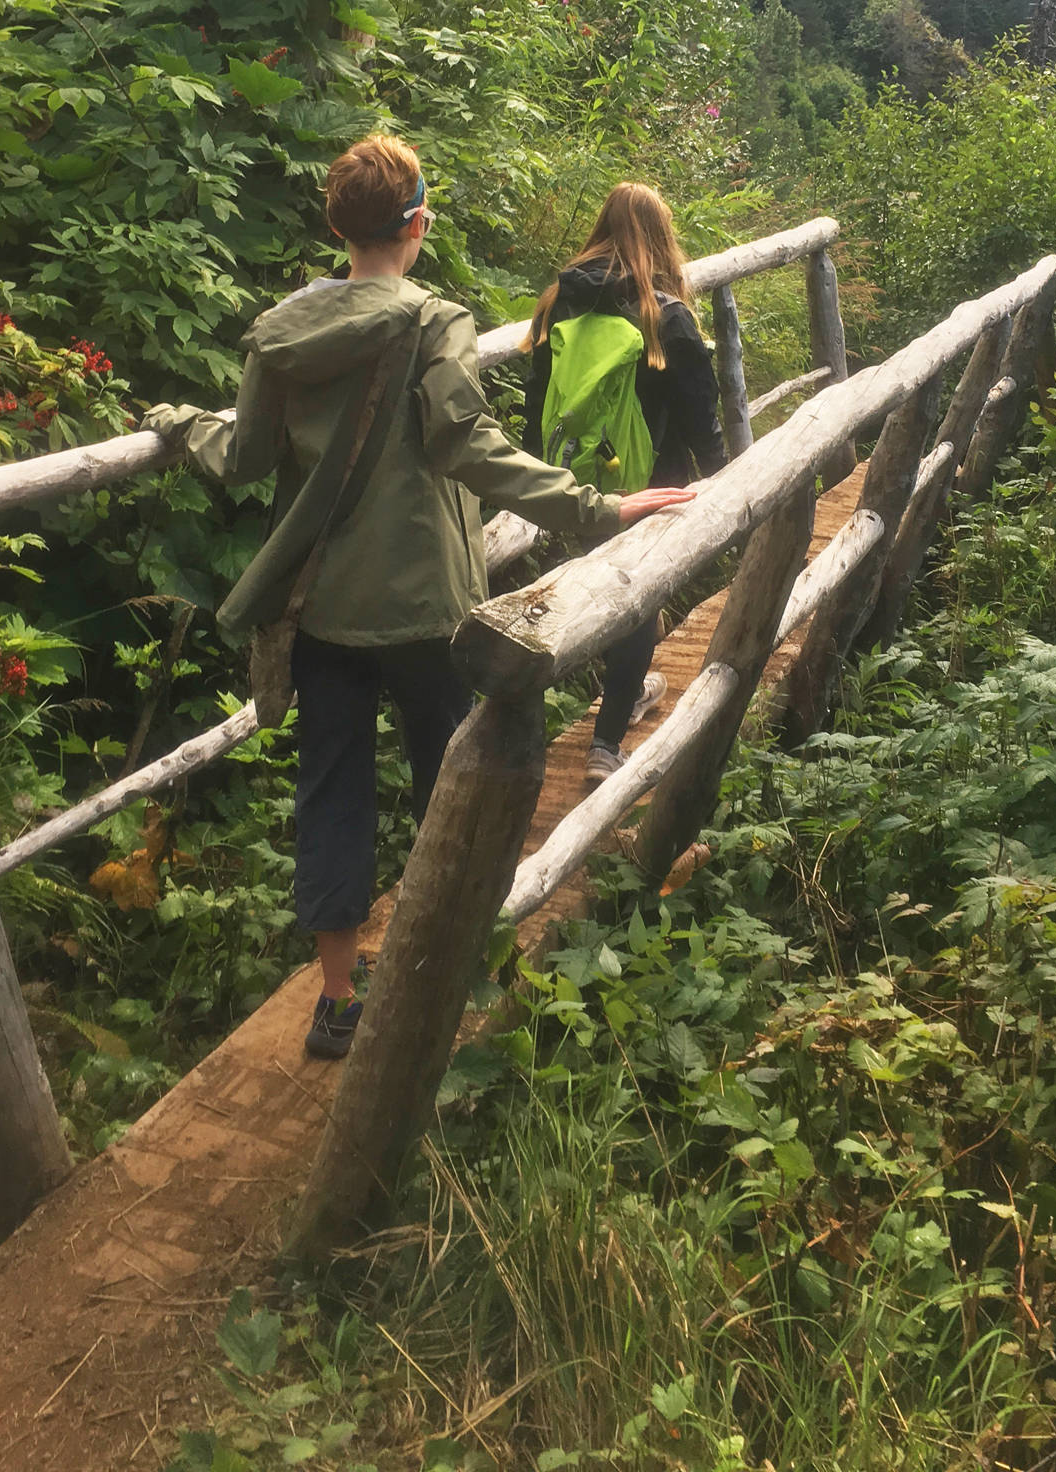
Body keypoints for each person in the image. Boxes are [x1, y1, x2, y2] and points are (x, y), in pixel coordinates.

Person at [146, 137, 693, 1060]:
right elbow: (469, 445)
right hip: (429, 608)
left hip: (322, 609)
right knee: (450, 778)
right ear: (419, 225)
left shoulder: (282, 332)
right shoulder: (434, 323)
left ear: (334, 227)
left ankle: (334, 1000)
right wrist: (597, 506)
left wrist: (174, 422)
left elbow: (241, 458)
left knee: (331, 793)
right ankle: (452, 961)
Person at [524, 183, 726, 786]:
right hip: (652, 481)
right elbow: (700, 414)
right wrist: (726, 478)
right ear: (662, 237)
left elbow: (540, 399)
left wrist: (543, 471)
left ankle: (620, 693)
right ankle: (606, 744)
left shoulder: (559, 301)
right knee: (637, 600)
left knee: (600, 586)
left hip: (573, 476)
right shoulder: (665, 315)